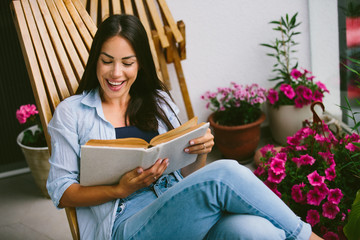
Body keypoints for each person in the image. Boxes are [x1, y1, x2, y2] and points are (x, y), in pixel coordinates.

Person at [47, 14, 322, 240]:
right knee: (224, 173)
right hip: (126, 223)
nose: (116, 73)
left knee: (260, 233)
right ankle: (308, 238)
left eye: (127, 63)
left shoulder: (158, 101)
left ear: (140, 64)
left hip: (179, 211)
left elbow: (189, 174)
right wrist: (119, 190)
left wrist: (200, 151)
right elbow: (63, 192)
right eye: (107, 61)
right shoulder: (72, 113)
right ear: (96, 59)